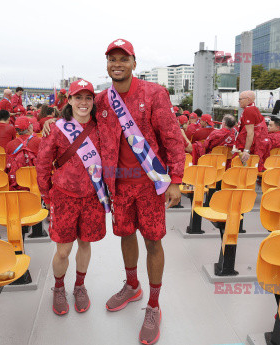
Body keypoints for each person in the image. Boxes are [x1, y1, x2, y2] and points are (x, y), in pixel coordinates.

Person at [97, 39, 185, 344]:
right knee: (124, 234)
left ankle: (154, 304)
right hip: (119, 185)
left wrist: (175, 179)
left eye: (124, 58)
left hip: (150, 184)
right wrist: (54, 125)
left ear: (134, 62)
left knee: (153, 242)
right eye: (112, 59)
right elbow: (79, 120)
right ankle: (133, 285)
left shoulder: (155, 93)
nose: (117, 64)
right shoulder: (101, 100)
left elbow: (173, 137)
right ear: (106, 63)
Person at [36, 79, 109, 316]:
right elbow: (43, 163)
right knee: (63, 251)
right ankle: (58, 288)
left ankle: (79, 285)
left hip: (93, 197)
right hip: (64, 197)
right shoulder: (57, 128)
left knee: (85, 243)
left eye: (88, 98)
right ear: (69, 100)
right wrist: (46, 194)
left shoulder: (102, 127)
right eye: (79, 97)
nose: (84, 103)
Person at [235, 90, 268, 170]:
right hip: (256, 145)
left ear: (248, 99)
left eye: (240, 99)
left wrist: (246, 151)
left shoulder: (248, 111)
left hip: (249, 146)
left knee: (241, 168)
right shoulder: (253, 108)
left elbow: (250, 133)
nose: (238, 101)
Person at [6, 116, 41, 190]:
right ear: (29, 128)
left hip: (18, 184)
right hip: (37, 183)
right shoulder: (39, 141)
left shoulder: (10, 145)